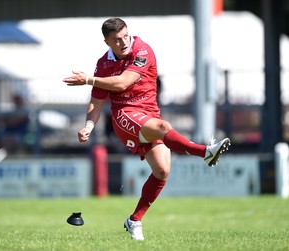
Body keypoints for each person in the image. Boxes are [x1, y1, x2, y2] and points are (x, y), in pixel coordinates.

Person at [63, 17, 231, 241]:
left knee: (162, 170)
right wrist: (89, 125)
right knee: (164, 127)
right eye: (117, 40)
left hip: (148, 114)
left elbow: (123, 82)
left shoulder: (143, 50)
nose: (123, 42)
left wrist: (89, 80)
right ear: (107, 43)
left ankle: (134, 220)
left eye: (125, 36)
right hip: (124, 116)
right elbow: (97, 100)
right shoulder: (103, 64)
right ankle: (205, 153)